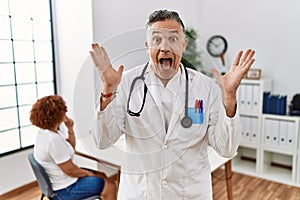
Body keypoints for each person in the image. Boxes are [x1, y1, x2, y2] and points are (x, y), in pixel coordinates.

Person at [89, 9, 255, 199]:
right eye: (157, 40)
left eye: (173, 39)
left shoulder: (205, 87)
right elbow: (102, 141)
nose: (165, 47)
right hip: (141, 193)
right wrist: (108, 90)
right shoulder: (125, 83)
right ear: (147, 46)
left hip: (189, 193)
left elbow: (227, 148)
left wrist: (230, 98)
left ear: (184, 45)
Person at [30, 95, 117, 200]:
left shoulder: (45, 133)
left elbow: (70, 148)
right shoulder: (53, 140)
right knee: (110, 186)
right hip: (65, 190)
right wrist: (87, 173)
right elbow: (71, 171)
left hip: (61, 182)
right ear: (58, 115)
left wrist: (70, 129)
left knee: (101, 175)